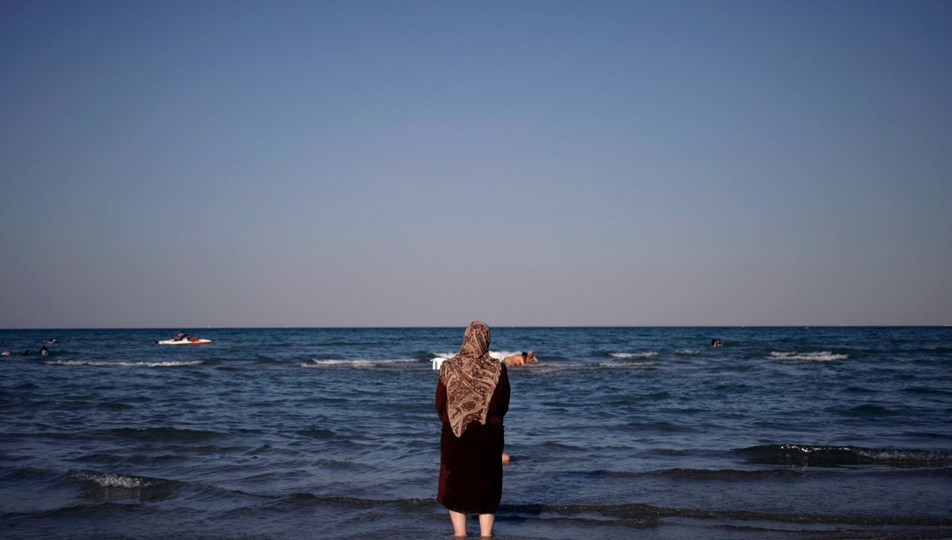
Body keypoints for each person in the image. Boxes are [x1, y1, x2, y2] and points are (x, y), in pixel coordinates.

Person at [436, 321, 510, 538]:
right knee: (487, 485)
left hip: (455, 435)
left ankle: (460, 535)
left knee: (455, 485)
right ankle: (486, 535)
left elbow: (441, 404)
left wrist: (455, 421)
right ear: (486, 339)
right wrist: (487, 420)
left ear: (466, 337)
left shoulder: (449, 366)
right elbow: (503, 404)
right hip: (488, 435)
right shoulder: (498, 368)